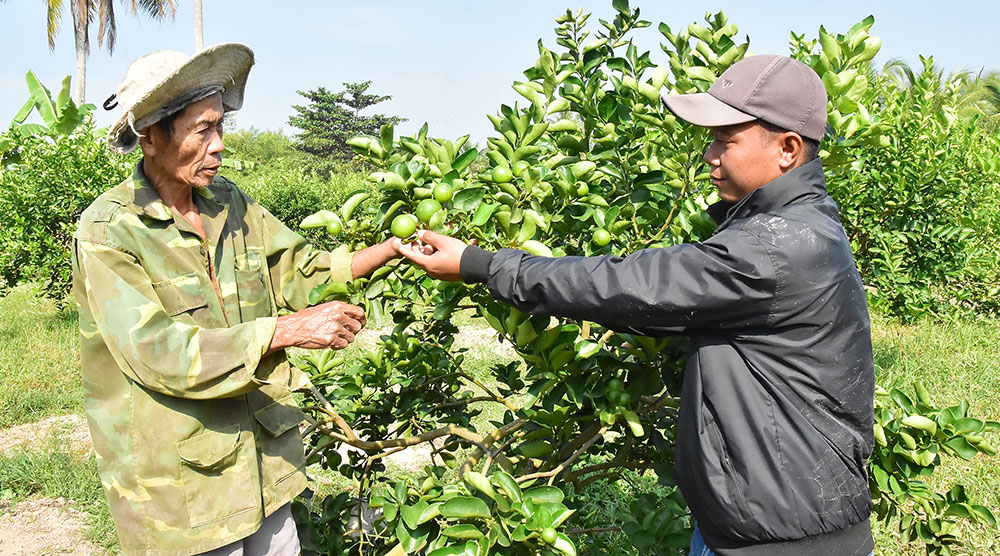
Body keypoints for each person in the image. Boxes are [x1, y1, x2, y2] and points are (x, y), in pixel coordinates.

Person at [397, 55, 875, 556]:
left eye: (725, 141)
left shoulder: (773, 247)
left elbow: (629, 285)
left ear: (787, 149)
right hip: (770, 525)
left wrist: (480, 264)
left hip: (786, 542)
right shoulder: (796, 225)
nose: (709, 156)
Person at [71, 43, 402, 556]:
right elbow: (157, 351)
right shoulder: (109, 230)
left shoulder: (229, 202)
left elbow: (300, 271)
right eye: (202, 130)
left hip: (262, 466)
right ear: (151, 136)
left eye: (220, 126)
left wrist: (392, 249)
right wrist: (288, 330)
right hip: (181, 485)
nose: (219, 145)